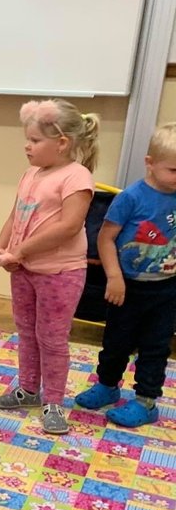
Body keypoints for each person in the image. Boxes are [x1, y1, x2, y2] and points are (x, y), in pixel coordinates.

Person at [0, 100, 96, 434]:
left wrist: (20, 251)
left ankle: (53, 401)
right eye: (28, 139)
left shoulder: (77, 176)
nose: (27, 146)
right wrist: (2, 245)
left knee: (51, 338)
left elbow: (69, 226)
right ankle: (28, 389)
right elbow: (17, 213)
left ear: (62, 143)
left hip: (60, 273)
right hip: (25, 270)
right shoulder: (31, 173)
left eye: (35, 140)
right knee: (26, 331)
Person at [75, 122, 176, 427]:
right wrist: (114, 276)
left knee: (155, 347)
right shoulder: (131, 198)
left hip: (166, 290)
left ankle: (146, 402)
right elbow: (106, 239)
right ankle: (107, 386)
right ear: (150, 163)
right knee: (116, 341)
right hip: (127, 287)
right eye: (173, 170)